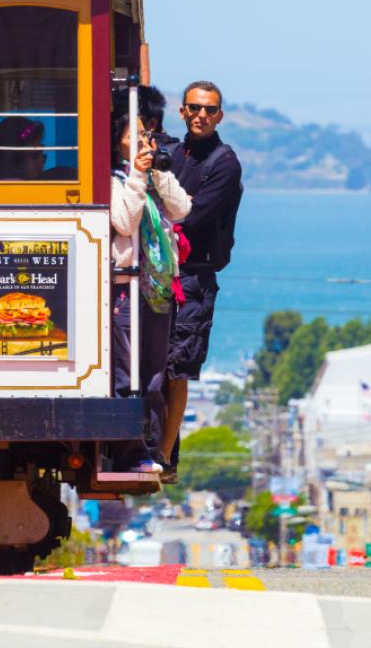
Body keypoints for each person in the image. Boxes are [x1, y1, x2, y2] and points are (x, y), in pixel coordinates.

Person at [160, 80, 243, 475]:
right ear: (182, 111)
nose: (201, 116)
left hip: (194, 278)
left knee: (179, 366)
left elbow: (189, 218)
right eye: (195, 108)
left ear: (219, 116)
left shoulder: (225, 164)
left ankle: (166, 456)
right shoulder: (172, 153)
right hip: (160, 272)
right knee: (153, 362)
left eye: (209, 110)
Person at [110, 85, 191, 474]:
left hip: (157, 288)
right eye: (133, 135)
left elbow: (181, 208)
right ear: (117, 139)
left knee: (156, 373)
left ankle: (153, 449)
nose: (140, 141)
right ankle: (128, 450)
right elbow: (125, 220)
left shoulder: (152, 172)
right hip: (126, 288)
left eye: (145, 134)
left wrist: (157, 169)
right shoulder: (112, 179)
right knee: (128, 372)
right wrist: (138, 176)